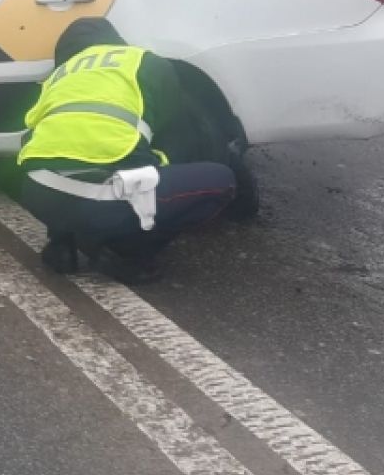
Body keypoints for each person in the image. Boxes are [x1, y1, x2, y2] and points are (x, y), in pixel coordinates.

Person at [17, 18, 238, 284]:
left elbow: (33, 140)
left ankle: (61, 246)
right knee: (220, 180)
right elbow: (174, 128)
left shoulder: (57, 77)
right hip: (101, 200)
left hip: (36, 194)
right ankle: (125, 254)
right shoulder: (144, 61)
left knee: (58, 159)